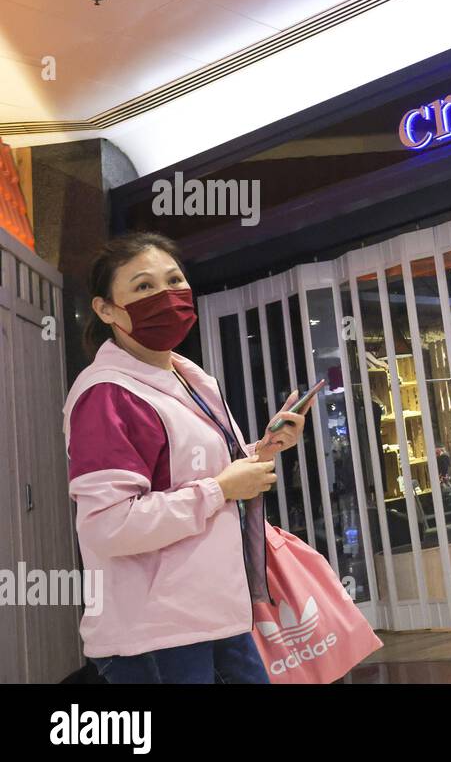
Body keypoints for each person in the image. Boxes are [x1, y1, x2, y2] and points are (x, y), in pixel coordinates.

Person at [63, 232, 316, 684]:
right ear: (105, 310)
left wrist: (264, 449)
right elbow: (109, 525)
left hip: (217, 614)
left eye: (174, 280)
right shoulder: (107, 395)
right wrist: (219, 490)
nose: (165, 296)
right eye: (143, 287)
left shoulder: (189, 378)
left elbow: (207, 474)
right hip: (157, 634)